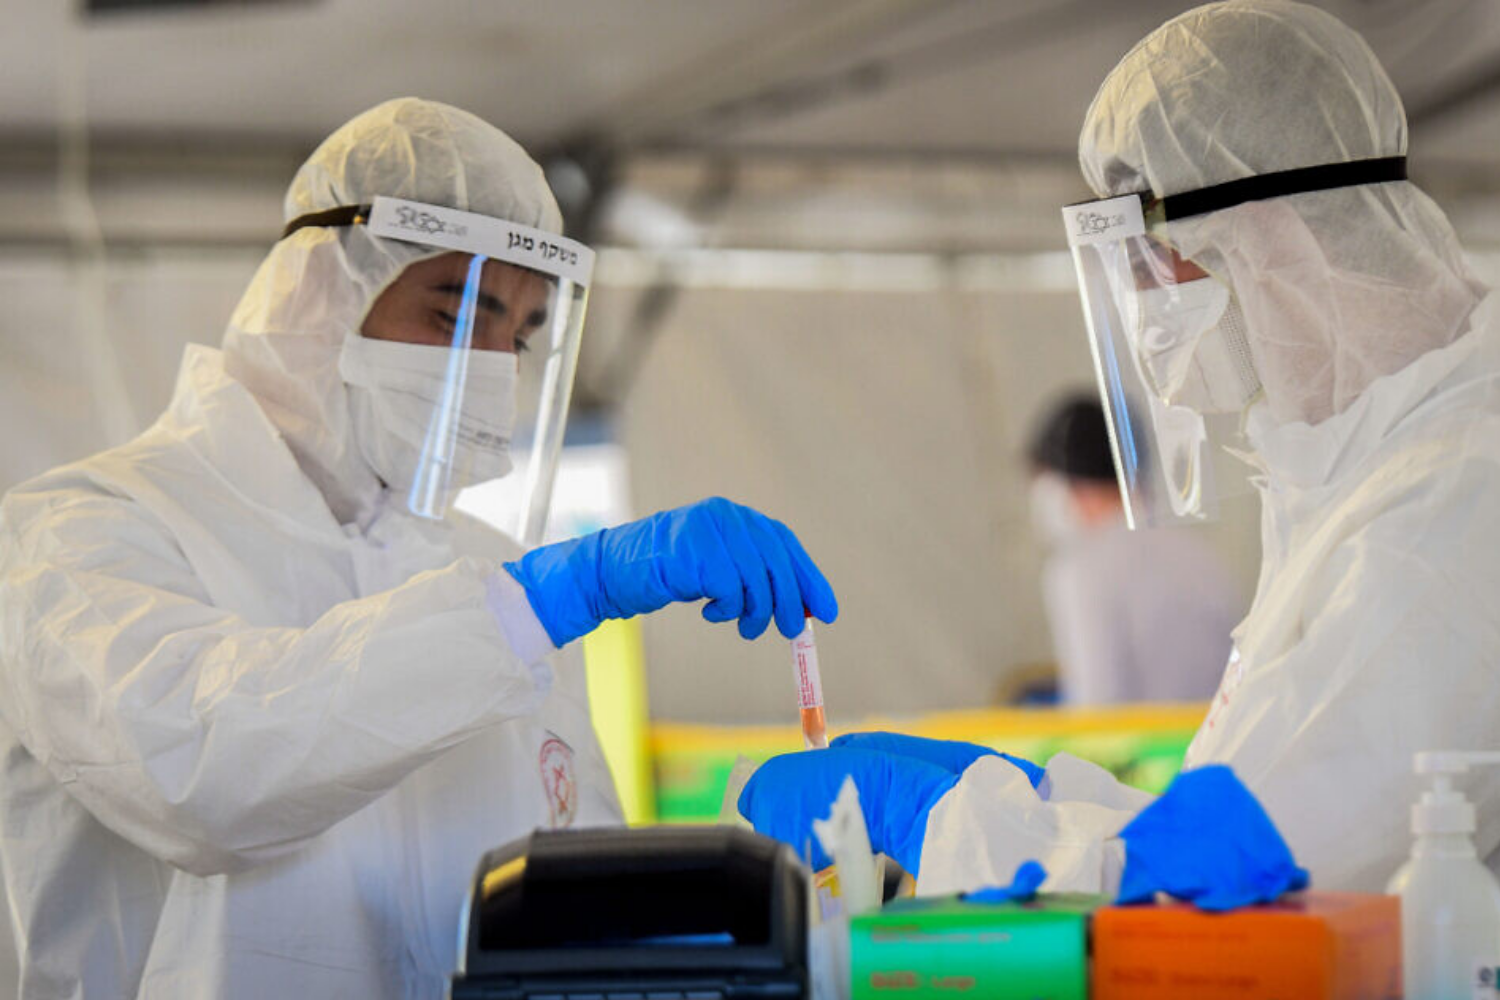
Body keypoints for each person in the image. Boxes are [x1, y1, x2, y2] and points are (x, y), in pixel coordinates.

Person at [0, 98, 836, 999]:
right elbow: (201, 771)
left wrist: (761, 876)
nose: (491, 367)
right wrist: (532, 605)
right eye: (456, 314)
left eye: (518, 338)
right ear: (320, 293)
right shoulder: (81, 530)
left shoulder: (494, 582)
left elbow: (574, 904)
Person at [741, 0, 1500, 898]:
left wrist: (941, 818)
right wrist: (1034, 795)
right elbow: (1237, 798)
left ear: (1262, 232)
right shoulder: (1362, 470)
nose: (1143, 297)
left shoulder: (1456, 493)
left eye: (1149, 253)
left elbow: (1235, 873)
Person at [1027, 393, 1239, 704]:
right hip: (1221, 731)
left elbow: (1098, 701)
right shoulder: (1196, 551)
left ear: (1070, 481)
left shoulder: (1080, 570)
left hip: (1146, 736)